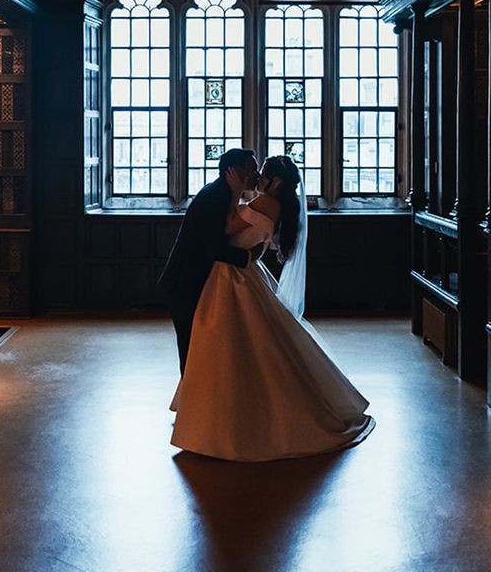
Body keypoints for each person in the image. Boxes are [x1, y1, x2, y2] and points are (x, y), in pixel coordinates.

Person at [170, 155, 375, 462]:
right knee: (242, 346)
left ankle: (224, 418)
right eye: (253, 172)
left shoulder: (264, 204)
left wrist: (237, 190)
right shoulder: (272, 205)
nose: (257, 178)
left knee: (229, 346)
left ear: (275, 181)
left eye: (262, 174)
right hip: (238, 273)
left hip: (232, 278)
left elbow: (228, 225)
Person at [158, 148, 261, 375]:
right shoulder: (216, 196)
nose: (257, 174)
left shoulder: (220, 191)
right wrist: (248, 256)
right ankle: (190, 401)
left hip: (191, 279)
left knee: (198, 346)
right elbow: (210, 246)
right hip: (185, 282)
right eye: (252, 169)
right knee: (191, 345)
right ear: (234, 171)